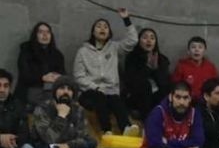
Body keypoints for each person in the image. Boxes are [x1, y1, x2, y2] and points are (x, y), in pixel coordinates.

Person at [73, 8, 138, 136]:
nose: (102, 29)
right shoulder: (83, 51)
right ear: (93, 31)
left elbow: (133, 41)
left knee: (116, 99)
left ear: (109, 32)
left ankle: (126, 128)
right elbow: (78, 76)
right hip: (89, 92)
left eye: (105, 27)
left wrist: (126, 19)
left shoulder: (114, 48)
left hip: (111, 92)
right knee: (100, 97)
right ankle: (106, 130)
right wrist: (95, 87)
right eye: (99, 26)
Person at [142, 80, 211, 148]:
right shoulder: (158, 112)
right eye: (178, 97)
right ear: (170, 97)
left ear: (190, 99)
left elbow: (198, 142)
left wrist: (169, 142)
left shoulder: (194, 113)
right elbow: (155, 143)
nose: (181, 102)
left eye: (185, 98)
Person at [122, 28, 170, 119]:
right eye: (145, 38)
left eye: (152, 38)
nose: (149, 41)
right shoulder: (132, 57)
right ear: (139, 41)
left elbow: (164, 83)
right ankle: (147, 122)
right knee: (145, 85)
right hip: (137, 96)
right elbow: (131, 81)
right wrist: (147, 68)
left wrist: (155, 69)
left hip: (156, 96)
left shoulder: (162, 59)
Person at [15, 22, 65, 108]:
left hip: (52, 90)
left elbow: (63, 73)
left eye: (48, 32)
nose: (45, 35)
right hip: (31, 90)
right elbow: (24, 74)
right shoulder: (26, 50)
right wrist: (43, 78)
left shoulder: (57, 54)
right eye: (41, 32)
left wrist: (57, 76)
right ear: (35, 35)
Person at [171, 37, 218, 102]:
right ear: (188, 51)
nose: (197, 50)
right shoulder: (181, 66)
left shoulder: (210, 67)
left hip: (206, 102)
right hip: (187, 101)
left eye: (200, 47)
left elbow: (216, 86)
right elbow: (175, 86)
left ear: (204, 50)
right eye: (193, 47)